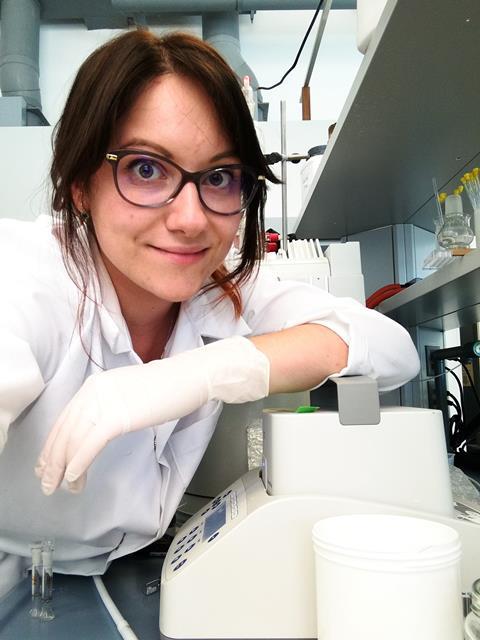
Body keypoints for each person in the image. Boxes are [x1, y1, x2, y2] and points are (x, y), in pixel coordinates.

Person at [0, 28, 419, 596]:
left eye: (219, 177)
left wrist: (205, 371)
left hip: (132, 576)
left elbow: (389, 348)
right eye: (147, 169)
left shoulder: (220, 292)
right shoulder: (28, 276)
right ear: (80, 185)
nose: (192, 219)